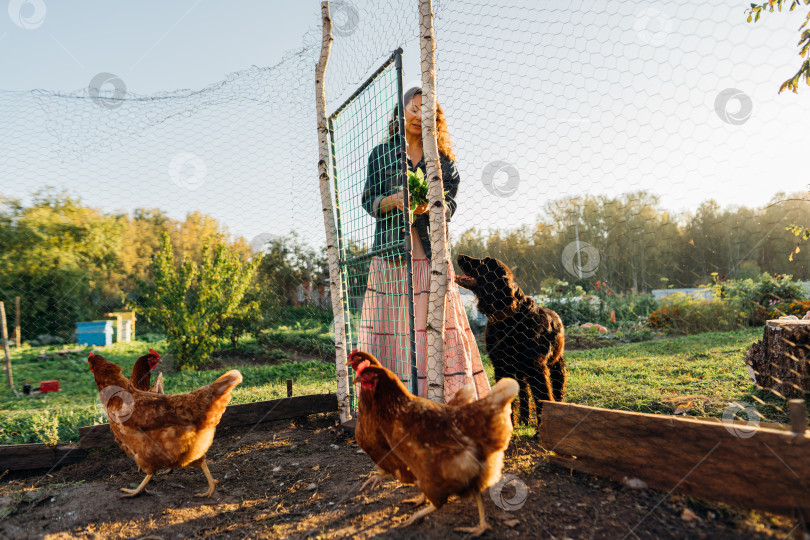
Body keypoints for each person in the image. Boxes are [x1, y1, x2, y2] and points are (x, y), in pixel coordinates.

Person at [358, 86, 490, 401]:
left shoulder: (442, 158)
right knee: (394, 324)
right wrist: (394, 200)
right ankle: (393, 400)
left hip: (432, 253)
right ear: (401, 113)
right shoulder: (382, 154)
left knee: (435, 322)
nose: (419, 116)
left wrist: (431, 206)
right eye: (414, 109)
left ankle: (442, 399)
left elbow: (451, 205)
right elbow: (368, 201)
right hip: (392, 253)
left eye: (426, 110)